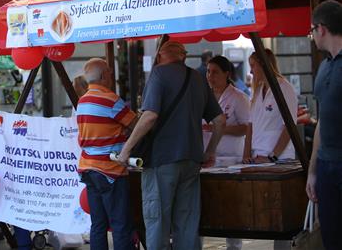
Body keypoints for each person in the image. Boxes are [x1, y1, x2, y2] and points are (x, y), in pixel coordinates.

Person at [117, 41, 226, 250]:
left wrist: (126, 149)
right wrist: (209, 151)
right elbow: (220, 120)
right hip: (192, 160)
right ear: (183, 56)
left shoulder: (158, 75)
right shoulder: (197, 77)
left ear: (159, 57)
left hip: (162, 160)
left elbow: (149, 116)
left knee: (157, 220)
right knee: (187, 222)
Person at [76, 58, 137, 250]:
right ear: (104, 76)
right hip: (110, 171)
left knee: (98, 224)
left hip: (88, 169)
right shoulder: (110, 99)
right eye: (110, 72)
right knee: (120, 225)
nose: (112, 75)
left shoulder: (82, 101)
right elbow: (136, 126)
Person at [306, 0, 342, 250]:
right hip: (327, 165)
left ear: (321, 29)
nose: (311, 36)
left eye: (311, 30)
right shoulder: (324, 67)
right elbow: (321, 122)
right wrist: (312, 170)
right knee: (330, 236)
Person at [203, 55, 249, 250]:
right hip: (205, 159)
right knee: (204, 206)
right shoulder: (202, 97)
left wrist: (220, 129)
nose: (210, 76)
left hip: (231, 160)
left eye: (215, 72)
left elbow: (246, 128)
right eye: (208, 71)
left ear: (227, 74)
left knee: (230, 208)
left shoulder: (239, 97)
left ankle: (234, 247)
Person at [244, 48, 297, 164]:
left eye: (253, 66)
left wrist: (272, 157)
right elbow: (250, 126)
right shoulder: (257, 91)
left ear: (263, 65)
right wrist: (246, 155)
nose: (251, 72)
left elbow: (289, 126)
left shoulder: (284, 88)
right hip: (257, 156)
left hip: (281, 158)